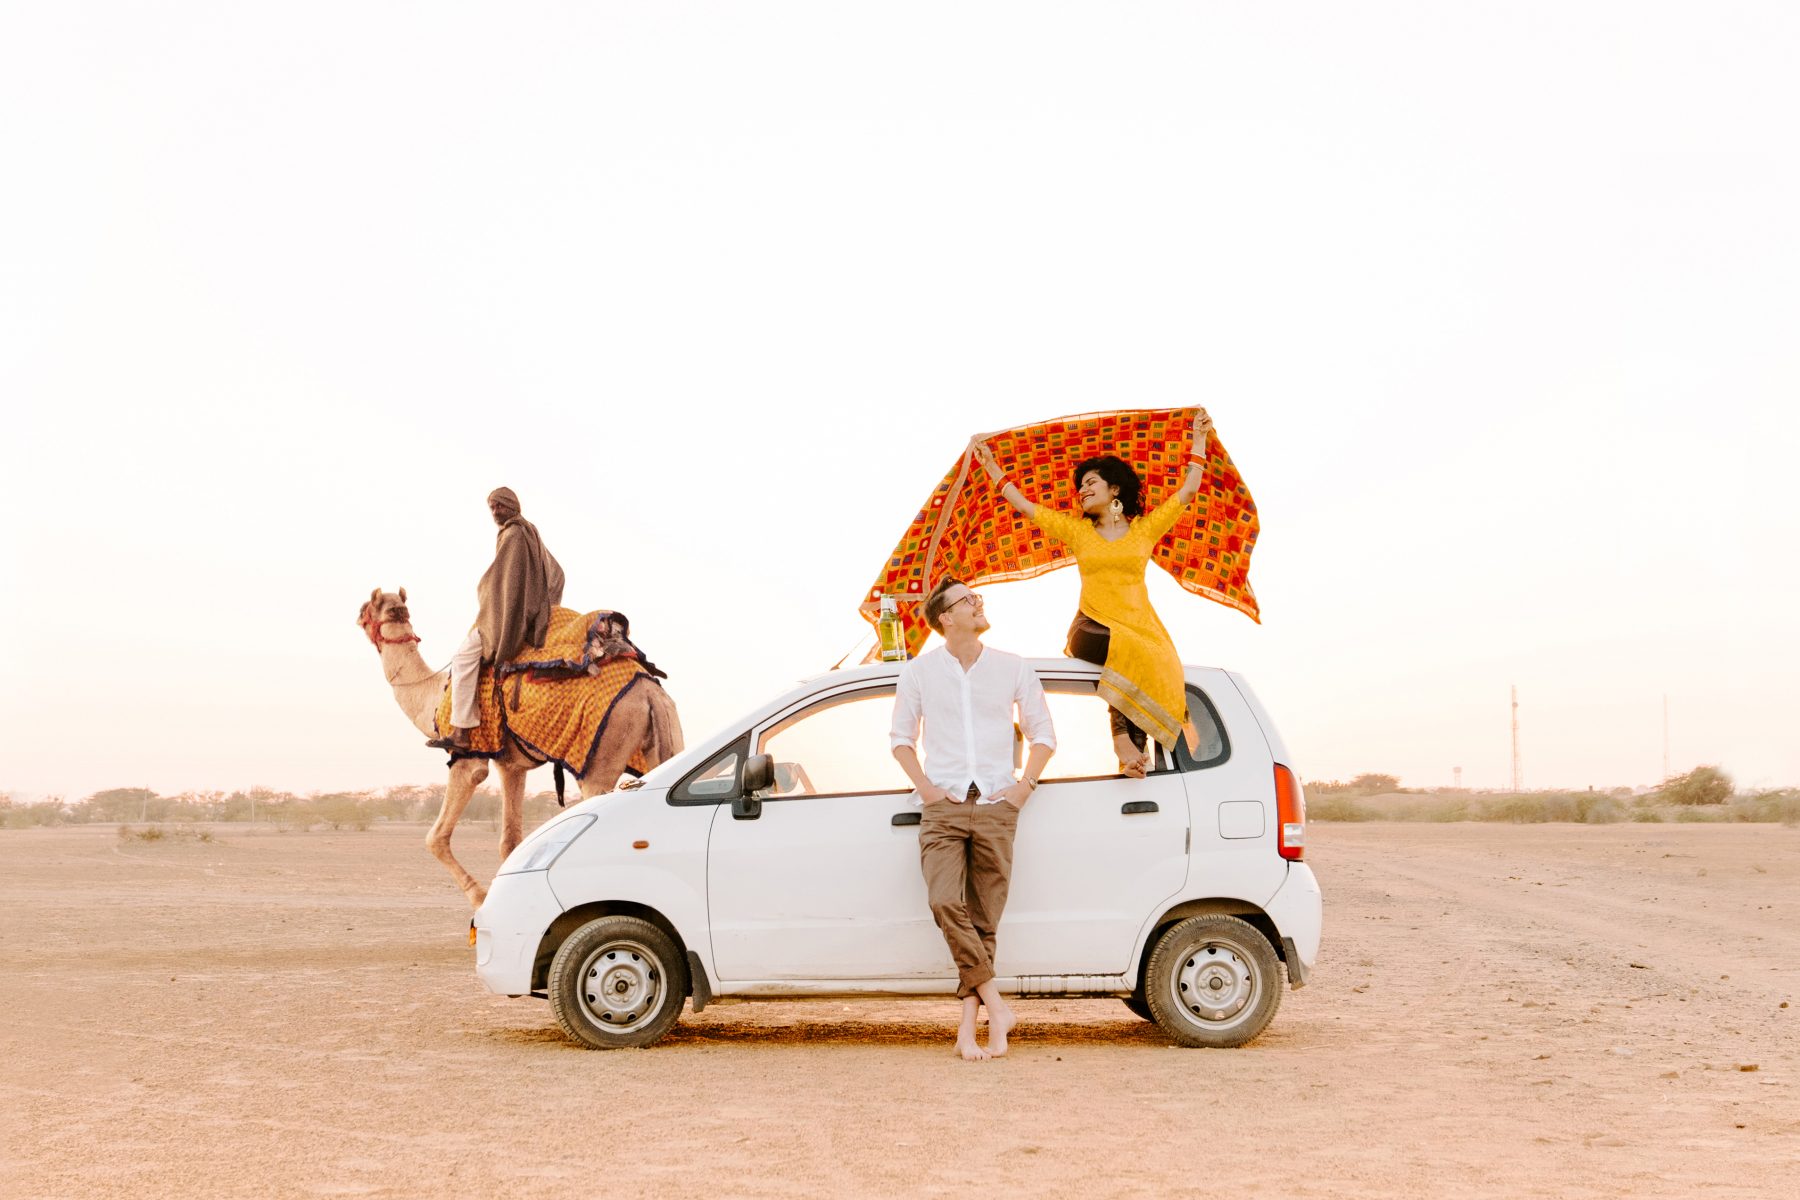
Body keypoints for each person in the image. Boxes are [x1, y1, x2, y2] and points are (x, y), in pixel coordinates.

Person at [970, 409, 1213, 777]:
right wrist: (991, 466)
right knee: (1128, 651)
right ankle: (1120, 738)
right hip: (1091, 628)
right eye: (1080, 485)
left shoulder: (1144, 531)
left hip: (1138, 629)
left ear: (1115, 489)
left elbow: (1189, 489)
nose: (1082, 489)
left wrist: (1200, 438)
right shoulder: (1077, 532)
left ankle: (1133, 757)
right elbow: (1023, 504)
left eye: (1091, 482)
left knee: (1151, 658)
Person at [890, 577, 1056, 1061]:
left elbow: (1043, 734)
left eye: (976, 598)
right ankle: (997, 1006)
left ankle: (971, 1030)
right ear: (945, 617)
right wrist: (926, 789)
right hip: (942, 807)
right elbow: (901, 739)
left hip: (997, 807)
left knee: (985, 920)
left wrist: (1023, 789)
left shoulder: (1012, 667)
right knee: (945, 902)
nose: (978, 604)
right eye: (968, 600)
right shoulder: (918, 672)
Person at [428, 487, 566, 751]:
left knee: (462, 658)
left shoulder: (514, 535)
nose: (495, 512)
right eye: (492, 507)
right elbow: (555, 572)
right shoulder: (527, 531)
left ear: (512, 506)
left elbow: (500, 584)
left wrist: (491, 602)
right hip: (523, 612)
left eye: (499, 506)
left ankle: (461, 731)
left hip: (508, 618)